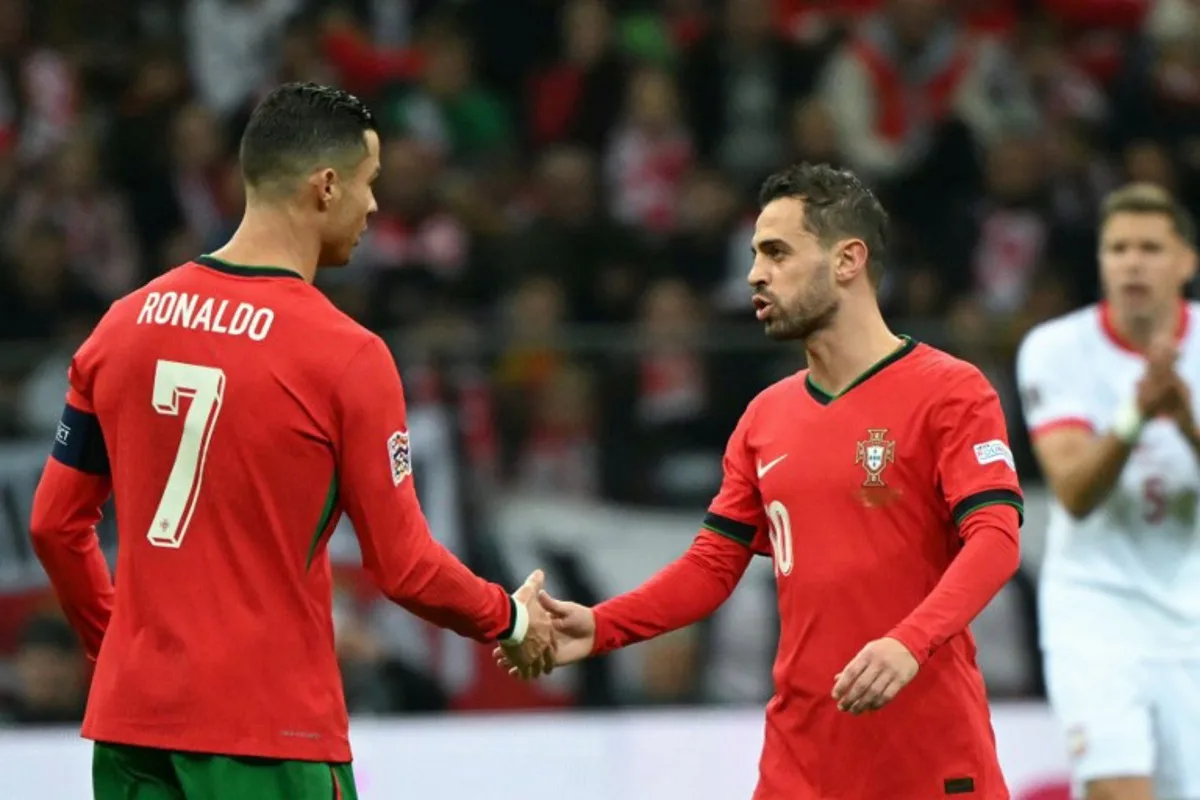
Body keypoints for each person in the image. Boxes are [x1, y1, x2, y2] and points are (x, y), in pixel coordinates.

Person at [27, 82, 555, 800]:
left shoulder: (121, 326)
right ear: (326, 186)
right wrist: (512, 618)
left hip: (131, 731)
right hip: (268, 733)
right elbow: (404, 567)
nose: (374, 207)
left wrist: (115, 644)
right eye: (369, 184)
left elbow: (55, 525)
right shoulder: (345, 356)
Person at [498, 163, 1024, 799]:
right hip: (800, 763)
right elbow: (712, 565)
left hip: (928, 754)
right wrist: (604, 625)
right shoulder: (764, 418)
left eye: (777, 253)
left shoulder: (950, 391)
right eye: (754, 255)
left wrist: (908, 644)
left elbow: (995, 540)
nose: (754, 274)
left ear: (848, 260)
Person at [1016, 184, 1200, 800]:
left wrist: (1189, 424)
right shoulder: (1055, 349)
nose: (1132, 262)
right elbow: (1073, 491)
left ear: (1186, 262)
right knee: (1119, 790)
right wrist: (1135, 418)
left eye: (1150, 248)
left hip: (1190, 614)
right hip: (1096, 612)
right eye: (1117, 248)